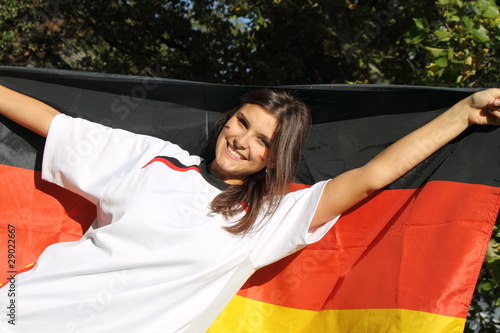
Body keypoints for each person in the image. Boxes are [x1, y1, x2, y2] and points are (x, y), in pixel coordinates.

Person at [0, 85, 499, 333]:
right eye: (241, 121)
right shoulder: (153, 159)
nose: (241, 140)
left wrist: (461, 115)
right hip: (20, 314)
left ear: (274, 158)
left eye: (263, 140)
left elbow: (370, 178)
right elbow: (55, 124)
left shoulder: (269, 219)